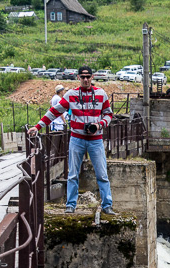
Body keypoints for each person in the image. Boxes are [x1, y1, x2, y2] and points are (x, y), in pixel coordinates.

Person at [29, 66, 115, 214]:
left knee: (102, 173)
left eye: (88, 76)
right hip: (77, 139)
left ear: (92, 77)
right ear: (78, 78)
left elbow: (108, 114)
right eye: (83, 77)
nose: (86, 79)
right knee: (73, 173)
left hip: (96, 140)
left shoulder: (101, 94)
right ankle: (71, 205)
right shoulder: (71, 95)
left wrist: (99, 124)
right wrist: (38, 126)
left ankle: (107, 205)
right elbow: (54, 111)